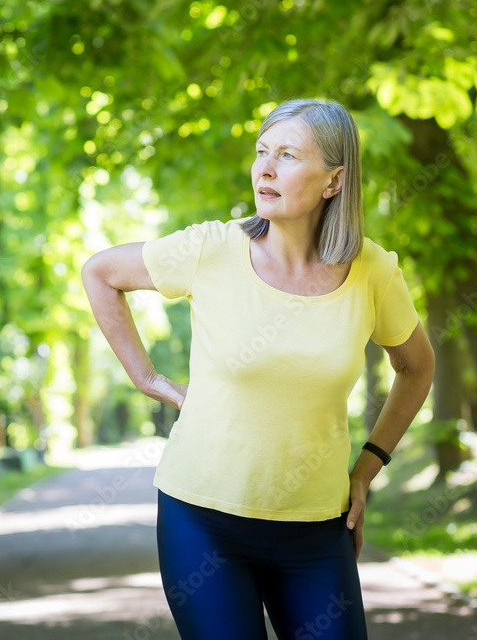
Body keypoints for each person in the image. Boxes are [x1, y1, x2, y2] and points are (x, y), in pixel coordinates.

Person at [80, 98, 435, 639]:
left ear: (333, 181)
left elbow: (416, 368)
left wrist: (366, 469)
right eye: (261, 151)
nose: (264, 168)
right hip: (202, 522)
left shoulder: (373, 271)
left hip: (317, 532)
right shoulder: (212, 248)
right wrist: (147, 379)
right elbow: (101, 273)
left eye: (288, 155)